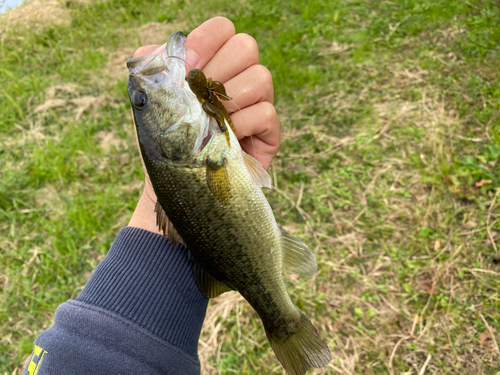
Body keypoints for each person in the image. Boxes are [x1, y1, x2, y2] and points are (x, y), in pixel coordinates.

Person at [23, 17, 280, 375]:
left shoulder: (186, 151)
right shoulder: (188, 149)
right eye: (142, 101)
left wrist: (155, 208)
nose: (139, 85)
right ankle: (282, 320)